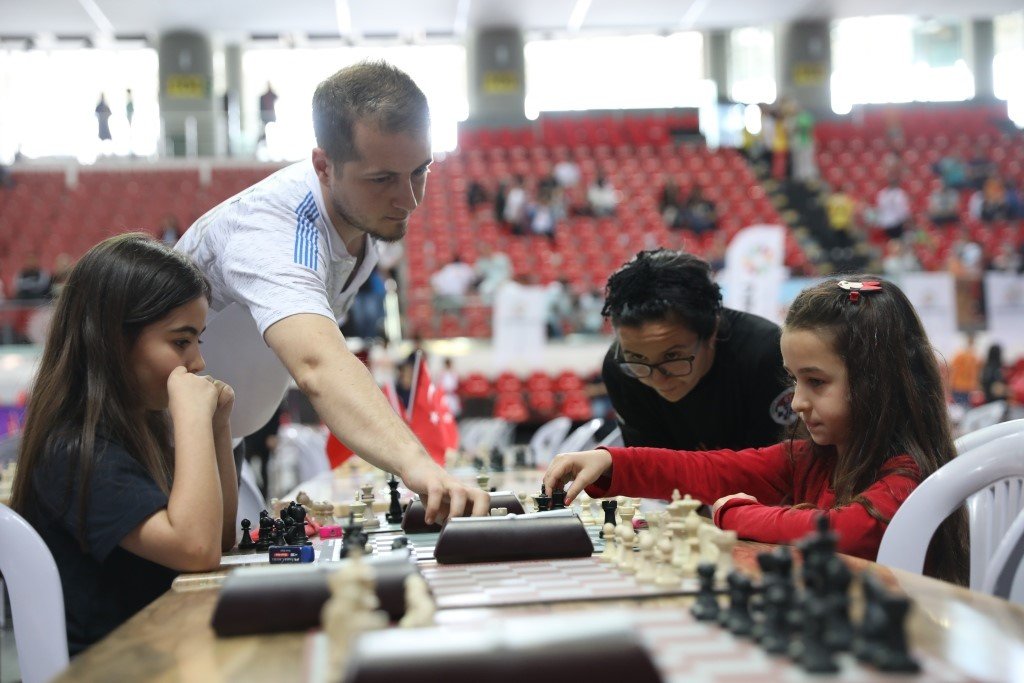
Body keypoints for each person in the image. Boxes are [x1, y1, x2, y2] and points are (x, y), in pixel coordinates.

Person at [176, 61, 488, 522]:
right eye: (382, 179)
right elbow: (318, 364)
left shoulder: (363, 220)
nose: (410, 199)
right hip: (150, 445)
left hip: (219, 443)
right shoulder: (275, 230)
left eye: (419, 171)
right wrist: (417, 463)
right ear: (324, 167)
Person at [545, 277, 969, 583]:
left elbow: (845, 532)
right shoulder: (816, 456)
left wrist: (733, 512)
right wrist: (608, 462)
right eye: (794, 380)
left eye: (816, 382)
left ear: (879, 382)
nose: (798, 401)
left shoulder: (907, 471)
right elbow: (713, 470)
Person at [9, 233, 238, 654]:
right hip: (114, 666)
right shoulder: (75, 451)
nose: (199, 363)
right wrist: (189, 418)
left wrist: (216, 427)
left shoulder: (138, 429)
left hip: (160, 646)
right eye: (181, 342)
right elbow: (198, 549)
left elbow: (220, 536)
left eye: (197, 341)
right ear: (114, 341)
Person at [599, 250, 795, 451]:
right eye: (637, 358)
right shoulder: (619, 368)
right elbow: (649, 469)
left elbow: (777, 468)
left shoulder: (766, 354)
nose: (657, 380)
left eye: (672, 356)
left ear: (712, 332)